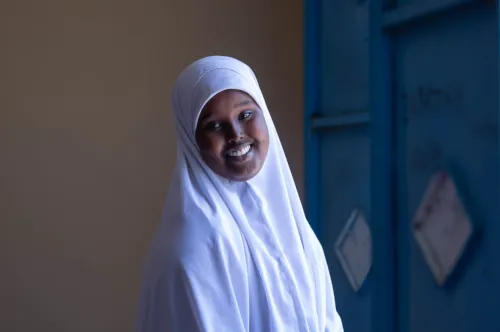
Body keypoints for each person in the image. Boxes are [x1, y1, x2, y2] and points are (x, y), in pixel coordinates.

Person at [135, 55, 343, 332]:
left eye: (246, 115)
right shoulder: (196, 247)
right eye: (214, 126)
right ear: (191, 138)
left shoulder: (287, 219)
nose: (236, 134)